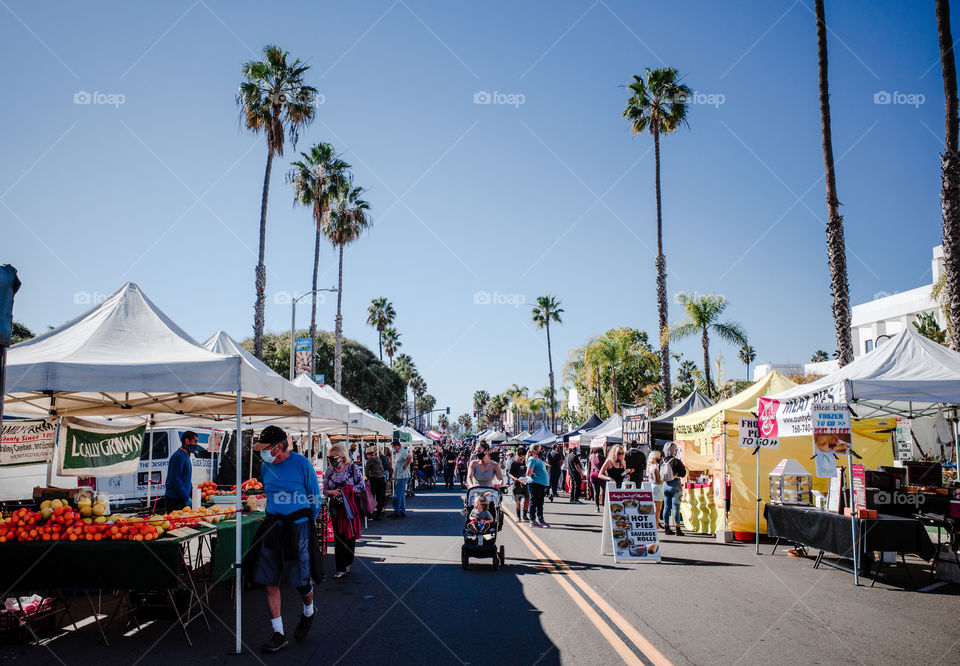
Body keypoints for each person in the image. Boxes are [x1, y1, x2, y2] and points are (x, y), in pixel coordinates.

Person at [250, 426, 323, 653]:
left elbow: (315, 497)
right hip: (273, 527)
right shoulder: (265, 466)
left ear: (279, 447)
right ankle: (278, 633)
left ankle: (309, 610)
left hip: (298, 527)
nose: (262, 453)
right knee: (270, 580)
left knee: (300, 580)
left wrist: (306, 524)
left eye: (265, 448)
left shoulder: (302, 464)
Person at [324, 443, 365, 578]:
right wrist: (332, 492)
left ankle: (348, 561)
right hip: (336, 507)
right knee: (338, 536)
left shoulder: (353, 468)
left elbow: (361, 485)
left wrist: (348, 490)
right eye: (329, 457)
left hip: (350, 506)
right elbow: (324, 490)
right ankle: (340, 567)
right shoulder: (329, 471)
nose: (330, 460)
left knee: (350, 535)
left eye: (332, 457)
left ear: (341, 457)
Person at [162, 430, 201, 512]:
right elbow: (175, 479)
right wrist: (186, 498)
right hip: (175, 499)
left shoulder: (186, 456)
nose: (196, 444)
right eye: (195, 441)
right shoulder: (179, 456)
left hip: (182, 498)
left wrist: (191, 494)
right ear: (187, 441)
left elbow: (186, 478)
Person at [660, 443, 684, 536]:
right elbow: (683, 473)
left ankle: (666, 527)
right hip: (675, 484)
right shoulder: (676, 461)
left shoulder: (662, 461)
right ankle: (677, 528)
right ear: (674, 450)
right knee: (676, 508)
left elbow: (660, 474)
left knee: (666, 507)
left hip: (665, 485)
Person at [525, 443, 550, 527]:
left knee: (540, 503)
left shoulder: (538, 459)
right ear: (535, 450)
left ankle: (541, 519)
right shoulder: (532, 459)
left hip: (541, 483)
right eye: (539, 449)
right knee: (534, 502)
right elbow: (528, 472)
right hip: (535, 483)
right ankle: (532, 520)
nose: (541, 451)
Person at [508, 446, 530, 522]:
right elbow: (510, 474)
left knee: (527, 500)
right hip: (517, 484)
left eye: (523, 456)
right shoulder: (514, 463)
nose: (522, 458)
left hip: (525, 484)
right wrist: (514, 478)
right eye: (520, 456)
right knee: (518, 501)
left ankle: (524, 516)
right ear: (517, 454)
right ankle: (518, 517)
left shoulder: (526, 462)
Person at [390, 440, 411, 519]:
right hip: (400, 476)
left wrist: (405, 466)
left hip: (402, 476)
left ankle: (397, 511)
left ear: (396, 446)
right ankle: (402, 511)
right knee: (401, 494)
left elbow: (409, 457)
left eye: (393, 447)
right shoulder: (400, 452)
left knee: (398, 494)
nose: (393, 449)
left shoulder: (402, 451)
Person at [364, 448, 387, 520]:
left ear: (368, 455)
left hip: (374, 479)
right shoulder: (378, 459)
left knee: (371, 497)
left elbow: (367, 472)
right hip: (382, 478)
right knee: (379, 497)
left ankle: (370, 513)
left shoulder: (369, 461)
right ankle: (379, 514)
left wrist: (367, 478)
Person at [647, 450, 664, 530]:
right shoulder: (655, 467)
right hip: (657, 487)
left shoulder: (650, 466)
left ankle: (656, 524)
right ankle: (655, 525)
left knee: (656, 508)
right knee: (657, 508)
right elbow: (657, 479)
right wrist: (664, 480)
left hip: (653, 486)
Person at [588, 445, 604, 512]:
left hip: (592, 474)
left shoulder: (591, 456)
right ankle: (604, 504)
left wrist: (588, 475)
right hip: (600, 474)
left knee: (596, 492)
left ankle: (597, 507)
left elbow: (589, 466)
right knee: (604, 490)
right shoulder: (603, 457)